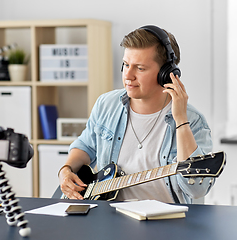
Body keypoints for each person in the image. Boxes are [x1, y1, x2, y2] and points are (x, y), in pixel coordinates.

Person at [58, 25, 213, 204]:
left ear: (166, 74)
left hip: (167, 225)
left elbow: (197, 189)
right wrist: (66, 170)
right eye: (125, 65)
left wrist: (180, 120)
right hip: (110, 220)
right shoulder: (106, 104)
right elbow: (86, 145)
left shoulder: (193, 122)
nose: (128, 76)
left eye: (140, 68)